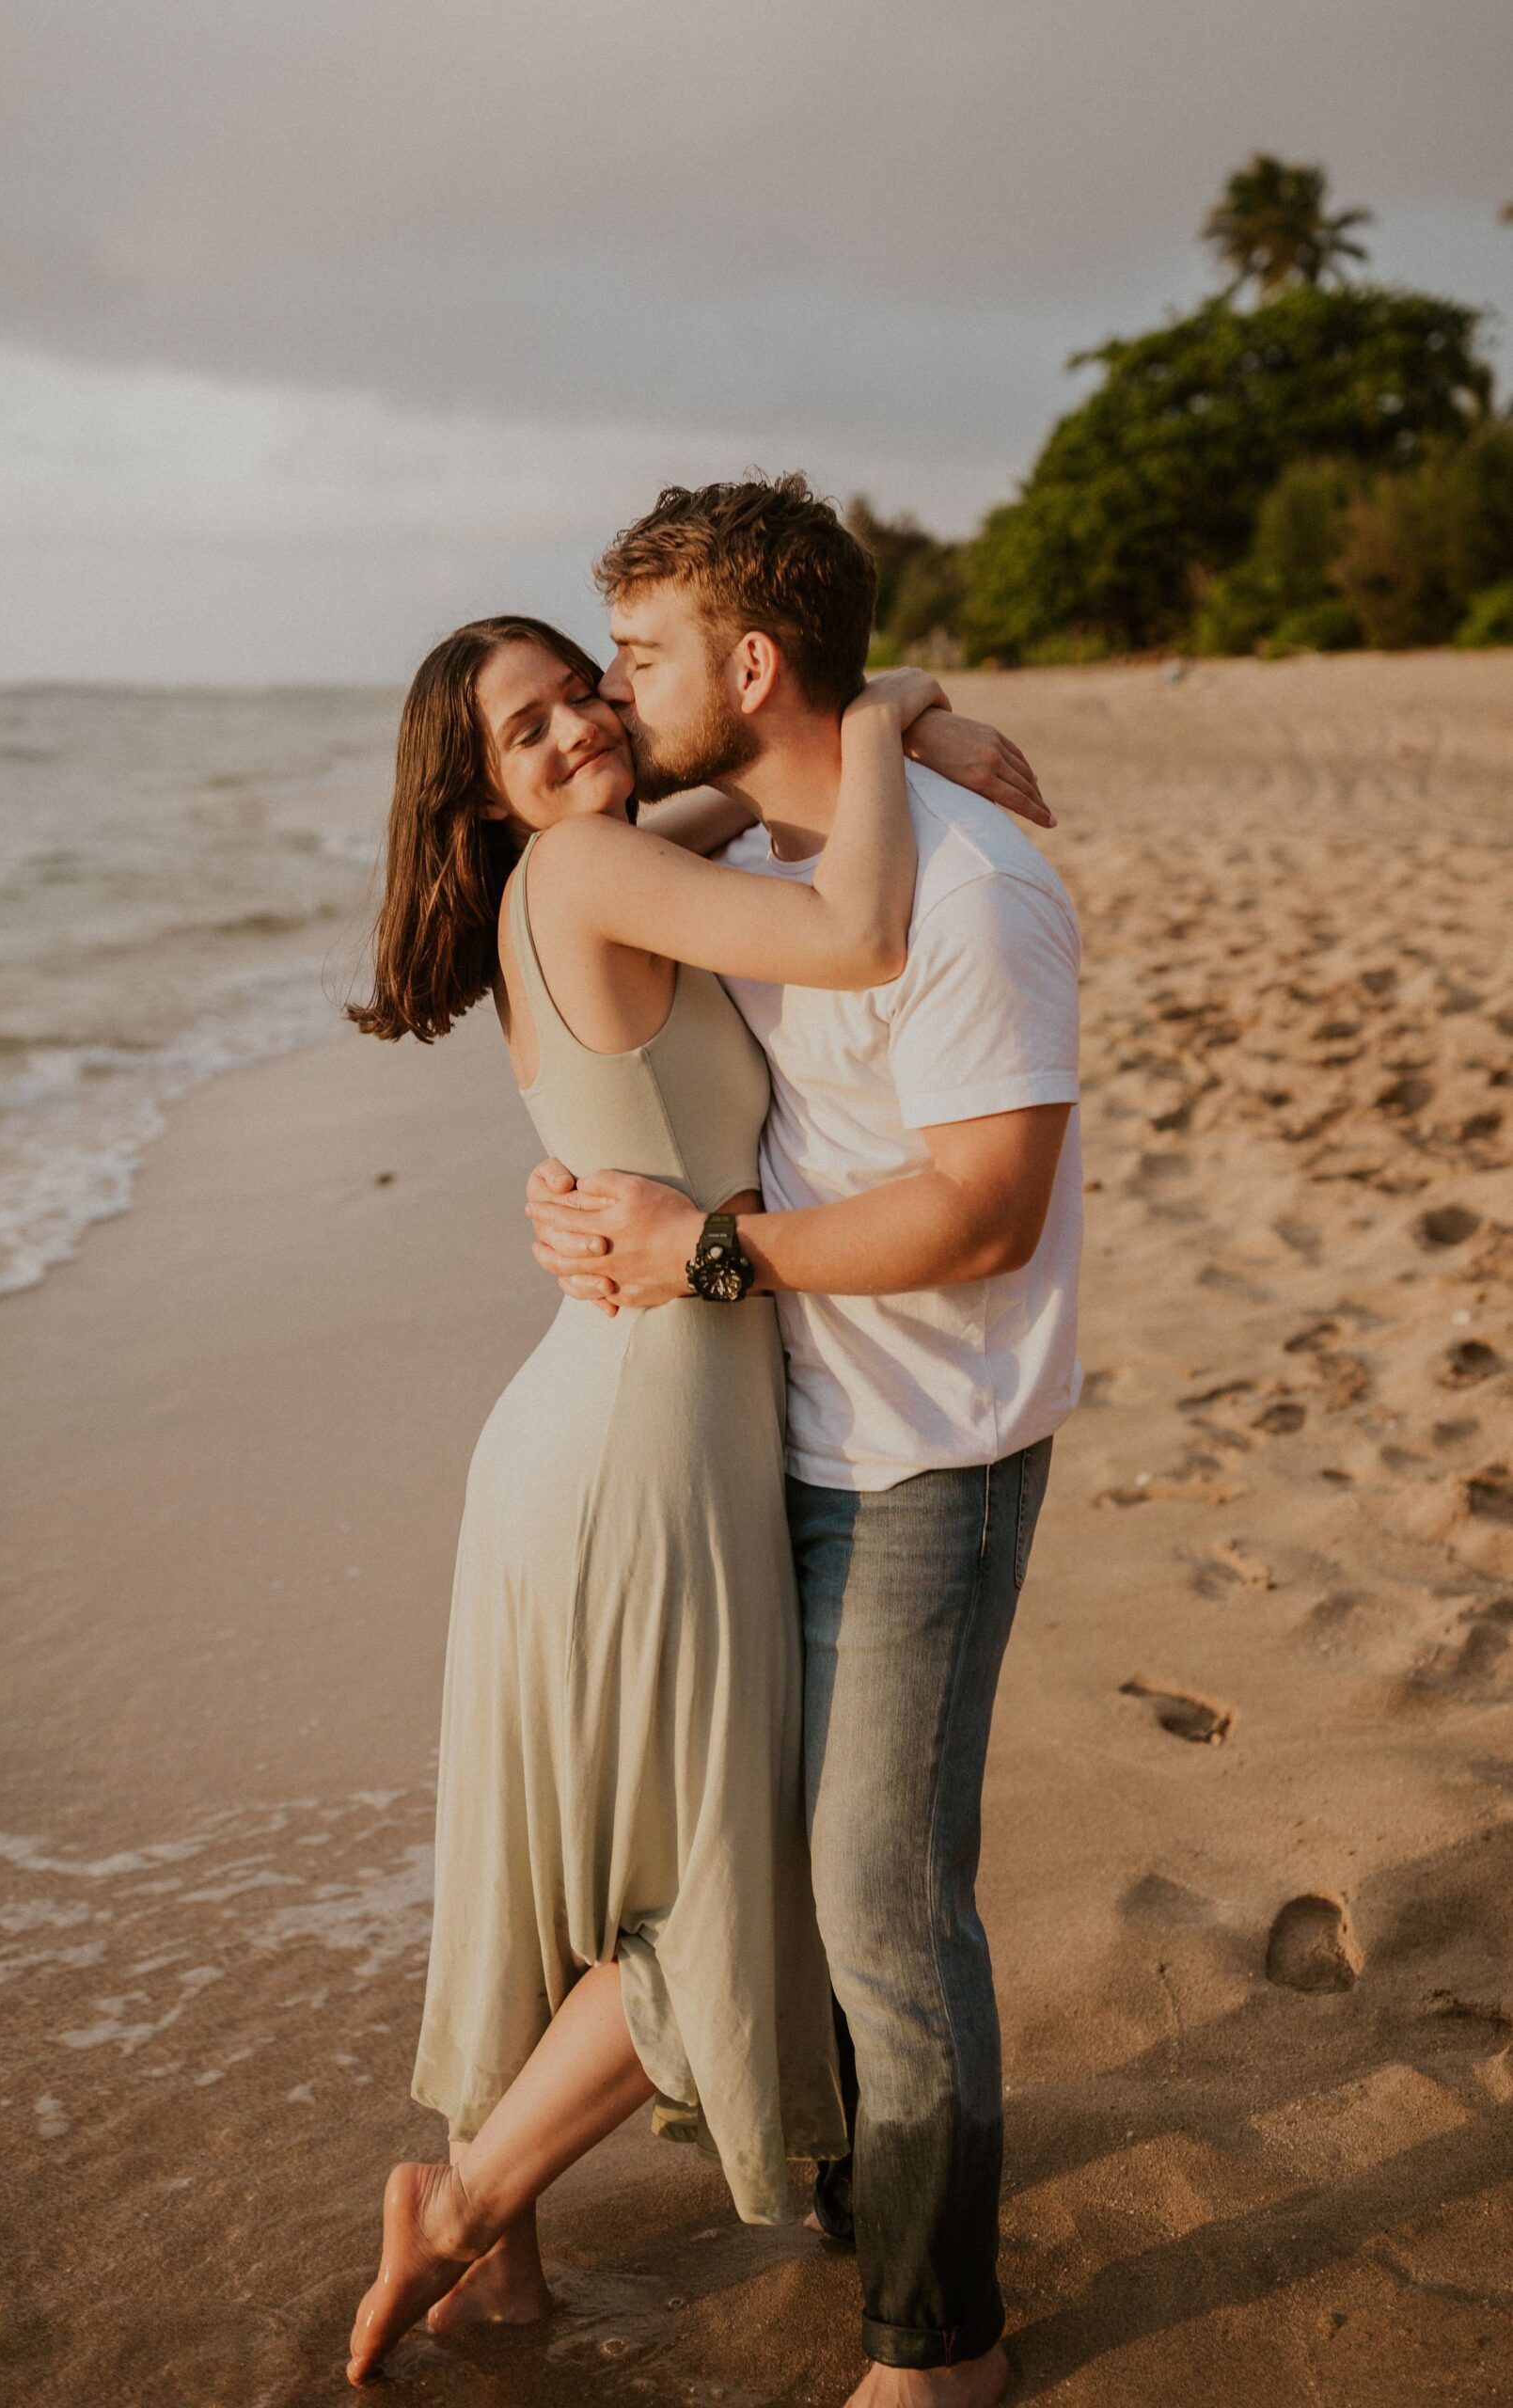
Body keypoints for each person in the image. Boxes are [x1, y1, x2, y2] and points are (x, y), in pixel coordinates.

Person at [341, 586, 1050, 2385]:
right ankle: (470, 2200)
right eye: (527, 730)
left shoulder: (599, 860)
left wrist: (904, 694)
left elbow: (749, 788)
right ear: (475, 796)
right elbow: (858, 924)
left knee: (575, 1863)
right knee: (725, 1869)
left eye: (586, 690)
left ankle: (497, 2256)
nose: (582, 727)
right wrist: (883, 725)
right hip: (649, 1442)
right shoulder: (589, 870)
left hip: (609, 1417)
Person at [526, 474, 1082, 2408]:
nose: (613, 692)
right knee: (793, 1870)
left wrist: (703, 1251)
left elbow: (987, 1212)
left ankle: (942, 2344)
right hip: (777, 1427)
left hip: (931, 1447)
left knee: (882, 1893)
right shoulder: (762, 855)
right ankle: (862, 2199)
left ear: (750, 664)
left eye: (639, 654)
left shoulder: (970, 885)